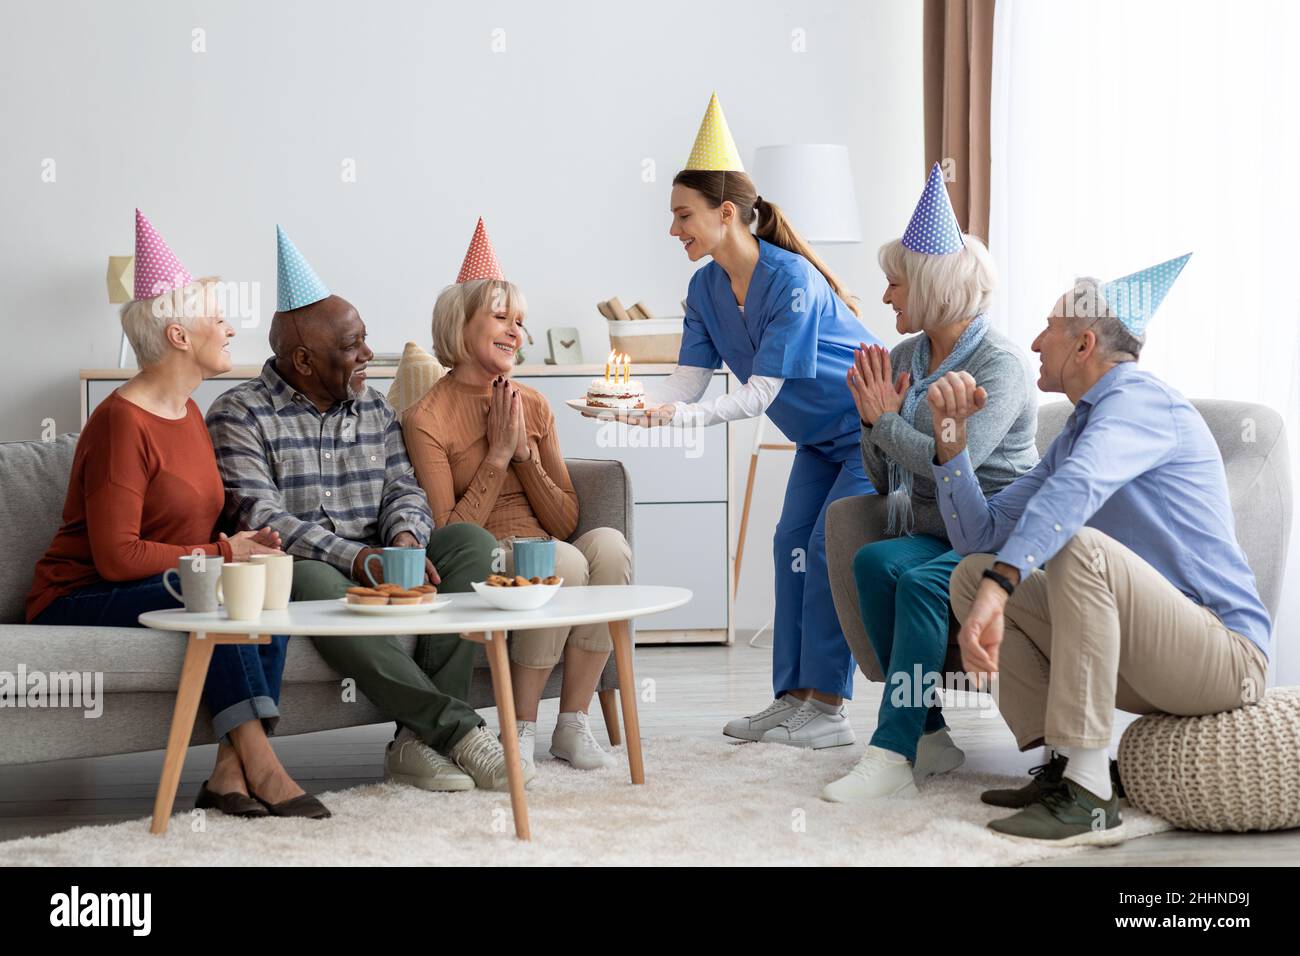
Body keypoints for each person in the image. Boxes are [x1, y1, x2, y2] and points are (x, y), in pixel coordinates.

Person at [932, 256, 1271, 842]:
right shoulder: (1078, 429)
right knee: (970, 573)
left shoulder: (1141, 401)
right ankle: (1062, 769)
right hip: (1148, 656)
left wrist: (1002, 589)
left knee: (1078, 546)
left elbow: (1077, 490)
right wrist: (950, 443)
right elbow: (982, 535)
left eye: (1048, 327)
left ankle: (1090, 795)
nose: (1035, 341)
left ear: (1084, 342)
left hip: (1222, 654)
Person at [27, 210, 324, 819]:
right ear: (179, 337)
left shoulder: (190, 413)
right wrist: (221, 556)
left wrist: (243, 546)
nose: (231, 329)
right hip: (77, 593)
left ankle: (228, 772)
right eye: (218, 319)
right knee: (214, 598)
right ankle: (263, 765)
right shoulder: (120, 422)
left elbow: (184, 526)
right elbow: (116, 557)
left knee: (262, 589)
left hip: (165, 581)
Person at [206, 226, 511, 794]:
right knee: (316, 579)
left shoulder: (373, 407)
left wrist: (403, 542)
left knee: (468, 542)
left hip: (382, 561)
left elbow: (405, 488)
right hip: (310, 567)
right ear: (302, 359)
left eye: (365, 339)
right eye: (352, 346)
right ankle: (456, 730)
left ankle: (413, 744)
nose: (369, 354)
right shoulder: (238, 414)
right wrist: (360, 560)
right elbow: (261, 518)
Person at [636, 94, 883, 748]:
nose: (673, 231)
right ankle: (792, 698)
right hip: (818, 440)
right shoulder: (705, 290)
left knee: (831, 547)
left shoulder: (793, 280)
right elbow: (688, 383)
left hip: (870, 436)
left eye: (682, 216)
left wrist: (679, 419)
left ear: (725, 214)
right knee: (790, 548)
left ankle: (828, 710)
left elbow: (755, 394)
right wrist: (642, 408)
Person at [822, 165, 1039, 803]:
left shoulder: (999, 367)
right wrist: (872, 424)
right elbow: (888, 474)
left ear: (931, 288)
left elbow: (950, 463)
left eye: (895, 284)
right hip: (932, 531)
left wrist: (885, 420)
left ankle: (890, 752)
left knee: (917, 579)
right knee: (874, 561)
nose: (886, 297)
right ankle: (934, 733)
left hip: (993, 531)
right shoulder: (903, 357)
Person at [404, 219, 633, 775]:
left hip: (548, 546)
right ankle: (519, 731)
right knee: (564, 560)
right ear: (462, 322)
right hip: (486, 557)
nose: (515, 332)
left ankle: (571, 723)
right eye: (502, 317)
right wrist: (497, 455)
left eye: (520, 323)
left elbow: (568, 516)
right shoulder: (426, 418)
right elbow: (446, 534)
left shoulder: (533, 403)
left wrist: (525, 455)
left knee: (607, 546)